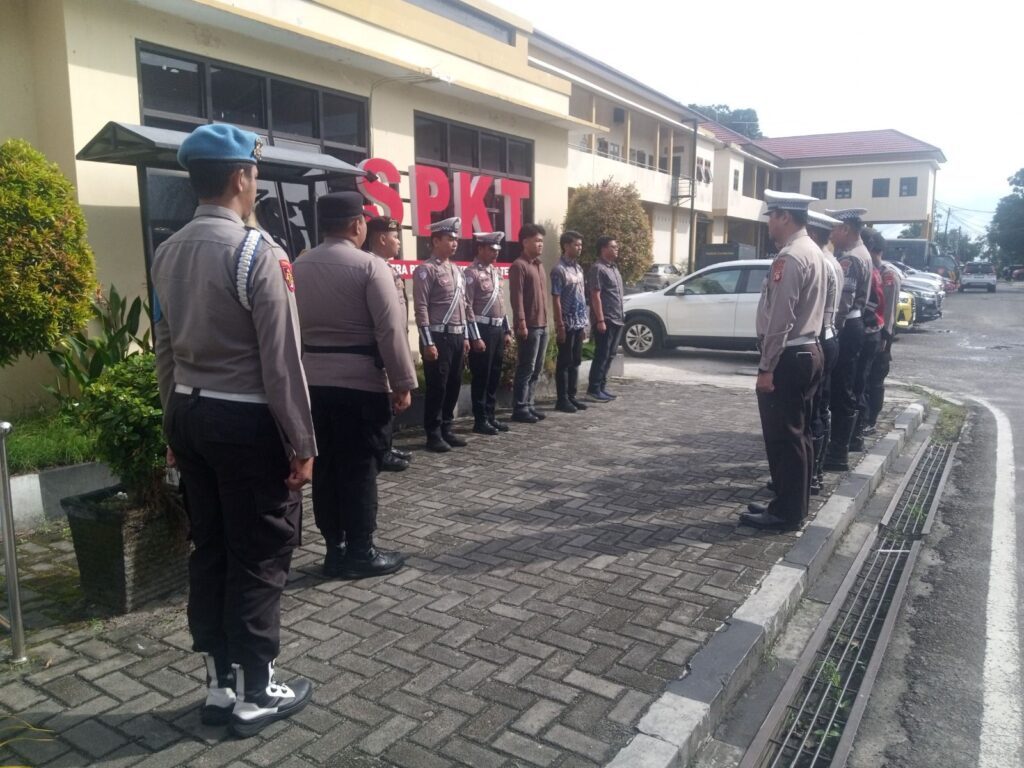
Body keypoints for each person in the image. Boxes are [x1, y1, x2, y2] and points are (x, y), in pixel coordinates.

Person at [153, 123, 315, 737]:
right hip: (244, 421)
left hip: (189, 412)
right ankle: (256, 694)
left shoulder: (168, 250)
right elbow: (283, 361)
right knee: (260, 553)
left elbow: (163, 348)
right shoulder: (258, 252)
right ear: (242, 177)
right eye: (254, 173)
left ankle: (220, 685)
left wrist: (172, 425)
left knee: (212, 547)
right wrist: (302, 442)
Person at [294, 193, 416, 580]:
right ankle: (361, 551)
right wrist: (402, 382)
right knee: (360, 469)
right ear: (356, 225)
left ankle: (335, 551)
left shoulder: (297, 265)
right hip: (360, 383)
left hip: (312, 384)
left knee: (326, 469)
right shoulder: (370, 266)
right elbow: (390, 329)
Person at [741, 191, 825, 531]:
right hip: (809, 349)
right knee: (798, 435)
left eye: (771, 217)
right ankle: (793, 505)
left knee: (783, 438)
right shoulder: (813, 251)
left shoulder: (790, 257)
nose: (769, 224)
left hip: (789, 355)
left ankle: (786, 513)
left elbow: (780, 318)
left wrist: (767, 366)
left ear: (785, 217)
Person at [413, 217, 471, 452]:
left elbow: (463, 305)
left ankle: (447, 427)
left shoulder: (456, 270)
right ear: (436, 241)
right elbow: (421, 308)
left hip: (456, 336)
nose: (454, 243)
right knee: (438, 386)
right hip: (438, 337)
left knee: (454, 384)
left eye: (456, 239)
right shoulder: (426, 270)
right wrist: (428, 342)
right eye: (449, 239)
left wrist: (465, 337)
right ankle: (433, 433)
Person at [362, 216, 414, 472]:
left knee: (389, 402)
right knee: (383, 402)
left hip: (394, 340)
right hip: (381, 347)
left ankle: (387, 446)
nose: (398, 242)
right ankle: (381, 452)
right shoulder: (371, 268)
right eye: (395, 237)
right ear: (382, 239)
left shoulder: (387, 267)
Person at [822, 207, 872, 472]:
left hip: (847, 325)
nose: (831, 235)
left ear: (845, 229)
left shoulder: (851, 259)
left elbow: (843, 302)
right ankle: (849, 441)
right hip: (856, 324)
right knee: (848, 385)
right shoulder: (863, 253)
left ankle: (838, 452)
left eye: (834, 229)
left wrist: (832, 329)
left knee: (841, 389)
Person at [464, 231, 513, 435]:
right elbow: (467, 306)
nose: (495, 253)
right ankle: (480, 419)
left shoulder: (495, 272)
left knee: (494, 375)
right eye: (491, 249)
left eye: (497, 250)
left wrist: (506, 330)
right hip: (481, 329)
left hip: (497, 329)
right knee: (481, 377)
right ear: (481, 249)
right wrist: (475, 337)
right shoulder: (471, 273)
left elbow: (500, 303)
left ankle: (491, 415)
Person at [849, 228, 886, 452]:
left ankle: (857, 432)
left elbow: (873, 304)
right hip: (870, 331)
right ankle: (856, 431)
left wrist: (858, 321)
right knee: (859, 384)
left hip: (867, 331)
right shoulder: (871, 267)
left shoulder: (868, 269)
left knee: (857, 384)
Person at [508, 223, 549, 423]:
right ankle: (520, 408)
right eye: (537, 241)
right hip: (529, 326)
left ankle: (530, 404)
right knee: (526, 368)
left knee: (537, 368)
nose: (541, 244)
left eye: (542, 241)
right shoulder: (519, 265)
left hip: (542, 325)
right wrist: (521, 323)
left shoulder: (539, 265)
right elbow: (516, 298)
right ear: (525, 242)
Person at [865, 232, 903, 434]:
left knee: (875, 381)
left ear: (872, 249)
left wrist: (884, 339)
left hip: (881, 335)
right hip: (869, 333)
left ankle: (871, 420)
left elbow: (887, 313)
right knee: (864, 381)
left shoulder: (888, 275)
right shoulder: (868, 270)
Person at [550, 230, 590, 413]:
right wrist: (560, 325)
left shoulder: (578, 268)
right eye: (576, 244)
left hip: (578, 322)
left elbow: (582, 296)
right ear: (566, 246)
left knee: (576, 361)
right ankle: (562, 399)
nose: (579, 248)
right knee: (564, 361)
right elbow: (556, 298)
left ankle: (572, 396)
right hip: (566, 322)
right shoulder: (559, 270)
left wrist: (584, 323)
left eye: (581, 245)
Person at [587, 236, 626, 402]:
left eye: (617, 246)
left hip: (618, 318)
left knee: (610, 355)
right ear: (603, 249)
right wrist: (600, 320)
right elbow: (595, 296)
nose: (617, 249)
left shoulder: (614, 268)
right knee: (602, 355)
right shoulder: (598, 269)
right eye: (613, 247)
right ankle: (593, 389)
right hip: (606, 319)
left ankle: (602, 387)